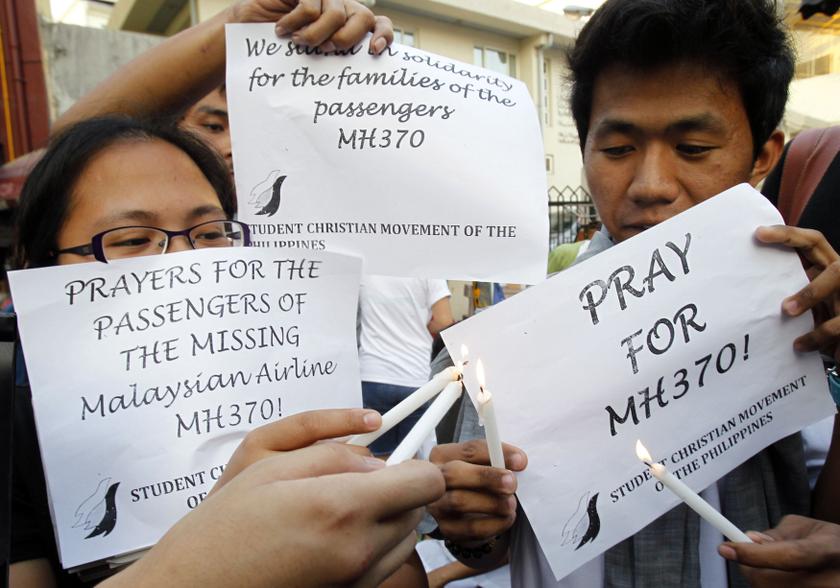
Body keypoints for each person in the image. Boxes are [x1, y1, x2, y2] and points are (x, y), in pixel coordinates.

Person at [427, 1, 840, 586]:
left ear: (763, 156)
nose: (650, 186)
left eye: (694, 149)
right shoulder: (506, 350)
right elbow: (482, 546)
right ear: (587, 149)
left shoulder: (809, 320)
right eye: (618, 149)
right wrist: (470, 518)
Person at [9, 116, 444, 587]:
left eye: (212, 234)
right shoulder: (16, 426)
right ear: (40, 270)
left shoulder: (294, 377)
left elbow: (398, 574)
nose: (186, 265)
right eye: (132, 241)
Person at [358, 276, 454, 454]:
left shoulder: (367, 266)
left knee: (374, 458)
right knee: (411, 458)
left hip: (372, 373)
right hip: (415, 376)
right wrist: (420, 329)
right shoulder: (429, 270)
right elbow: (444, 320)